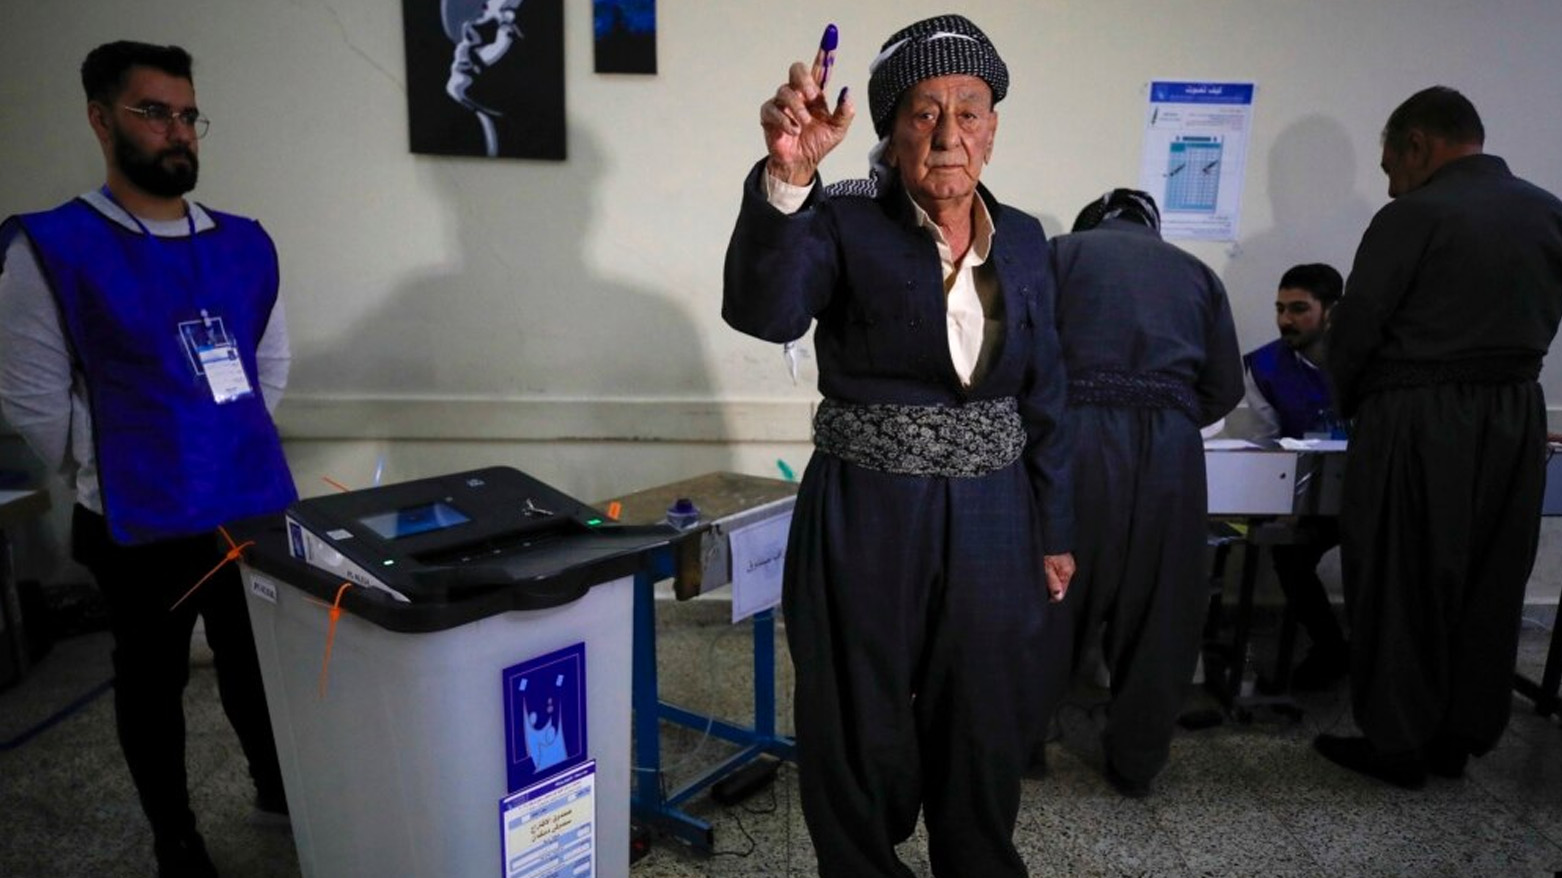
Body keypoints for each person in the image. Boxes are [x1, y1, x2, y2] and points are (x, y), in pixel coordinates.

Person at [723, 15, 1074, 877]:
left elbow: (1048, 391)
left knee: (985, 709)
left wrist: (1055, 525)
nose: (950, 135)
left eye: (970, 109)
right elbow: (765, 313)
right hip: (867, 509)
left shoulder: (1024, 237)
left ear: (994, 124)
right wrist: (786, 181)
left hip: (995, 513)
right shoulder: (840, 217)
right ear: (890, 128)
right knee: (854, 711)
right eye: (924, 112)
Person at [0, 42, 297, 876]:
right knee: (153, 686)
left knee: (254, 666)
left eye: (186, 114)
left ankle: (279, 790)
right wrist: (118, 463)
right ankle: (177, 837)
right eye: (153, 112)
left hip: (244, 504)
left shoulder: (244, 243)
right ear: (101, 119)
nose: (177, 132)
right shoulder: (52, 248)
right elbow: (31, 401)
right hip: (137, 516)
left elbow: (267, 364)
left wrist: (217, 442)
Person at [1317, 86, 1562, 789]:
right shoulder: (1550, 212)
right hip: (1517, 416)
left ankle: (1397, 743)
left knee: (1401, 577)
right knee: (1491, 579)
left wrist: (1354, 402)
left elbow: (1356, 328)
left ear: (1417, 146)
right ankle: (1460, 736)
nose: (1391, 181)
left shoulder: (1414, 216)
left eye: (1391, 164)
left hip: (1418, 416)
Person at [1046, 189, 1243, 797]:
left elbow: (1019, 358)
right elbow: (1226, 386)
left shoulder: (1059, 255)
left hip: (1074, 437)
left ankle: (1021, 743)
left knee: (1051, 595)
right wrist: (1168, 416)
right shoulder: (1200, 276)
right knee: (1162, 607)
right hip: (1171, 454)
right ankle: (1135, 762)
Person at [1241, 263, 1349, 690]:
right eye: (1280, 308)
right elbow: (1266, 442)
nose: (1285, 319)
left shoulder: (1368, 360)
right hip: (1310, 495)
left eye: (1299, 308)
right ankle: (1330, 648)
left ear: (1331, 312)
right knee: (1288, 555)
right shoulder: (1264, 366)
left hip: (1371, 489)